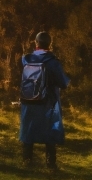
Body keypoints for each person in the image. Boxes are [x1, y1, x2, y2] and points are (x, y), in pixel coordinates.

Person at [20, 31, 70, 170]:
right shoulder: (53, 62)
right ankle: (51, 164)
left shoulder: (26, 59)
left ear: (36, 43)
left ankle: (27, 161)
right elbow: (63, 83)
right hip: (47, 103)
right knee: (50, 132)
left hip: (28, 101)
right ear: (50, 44)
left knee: (28, 131)